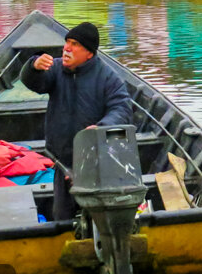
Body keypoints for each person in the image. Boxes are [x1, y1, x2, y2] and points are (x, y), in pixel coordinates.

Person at [20, 21, 132, 220]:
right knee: (62, 217)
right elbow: (35, 83)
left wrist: (101, 128)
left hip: (97, 161)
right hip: (62, 160)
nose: (66, 48)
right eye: (66, 42)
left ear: (89, 53)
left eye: (74, 44)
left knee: (97, 216)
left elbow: (121, 109)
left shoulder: (108, 78)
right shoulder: (55, 69)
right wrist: (33, 66)